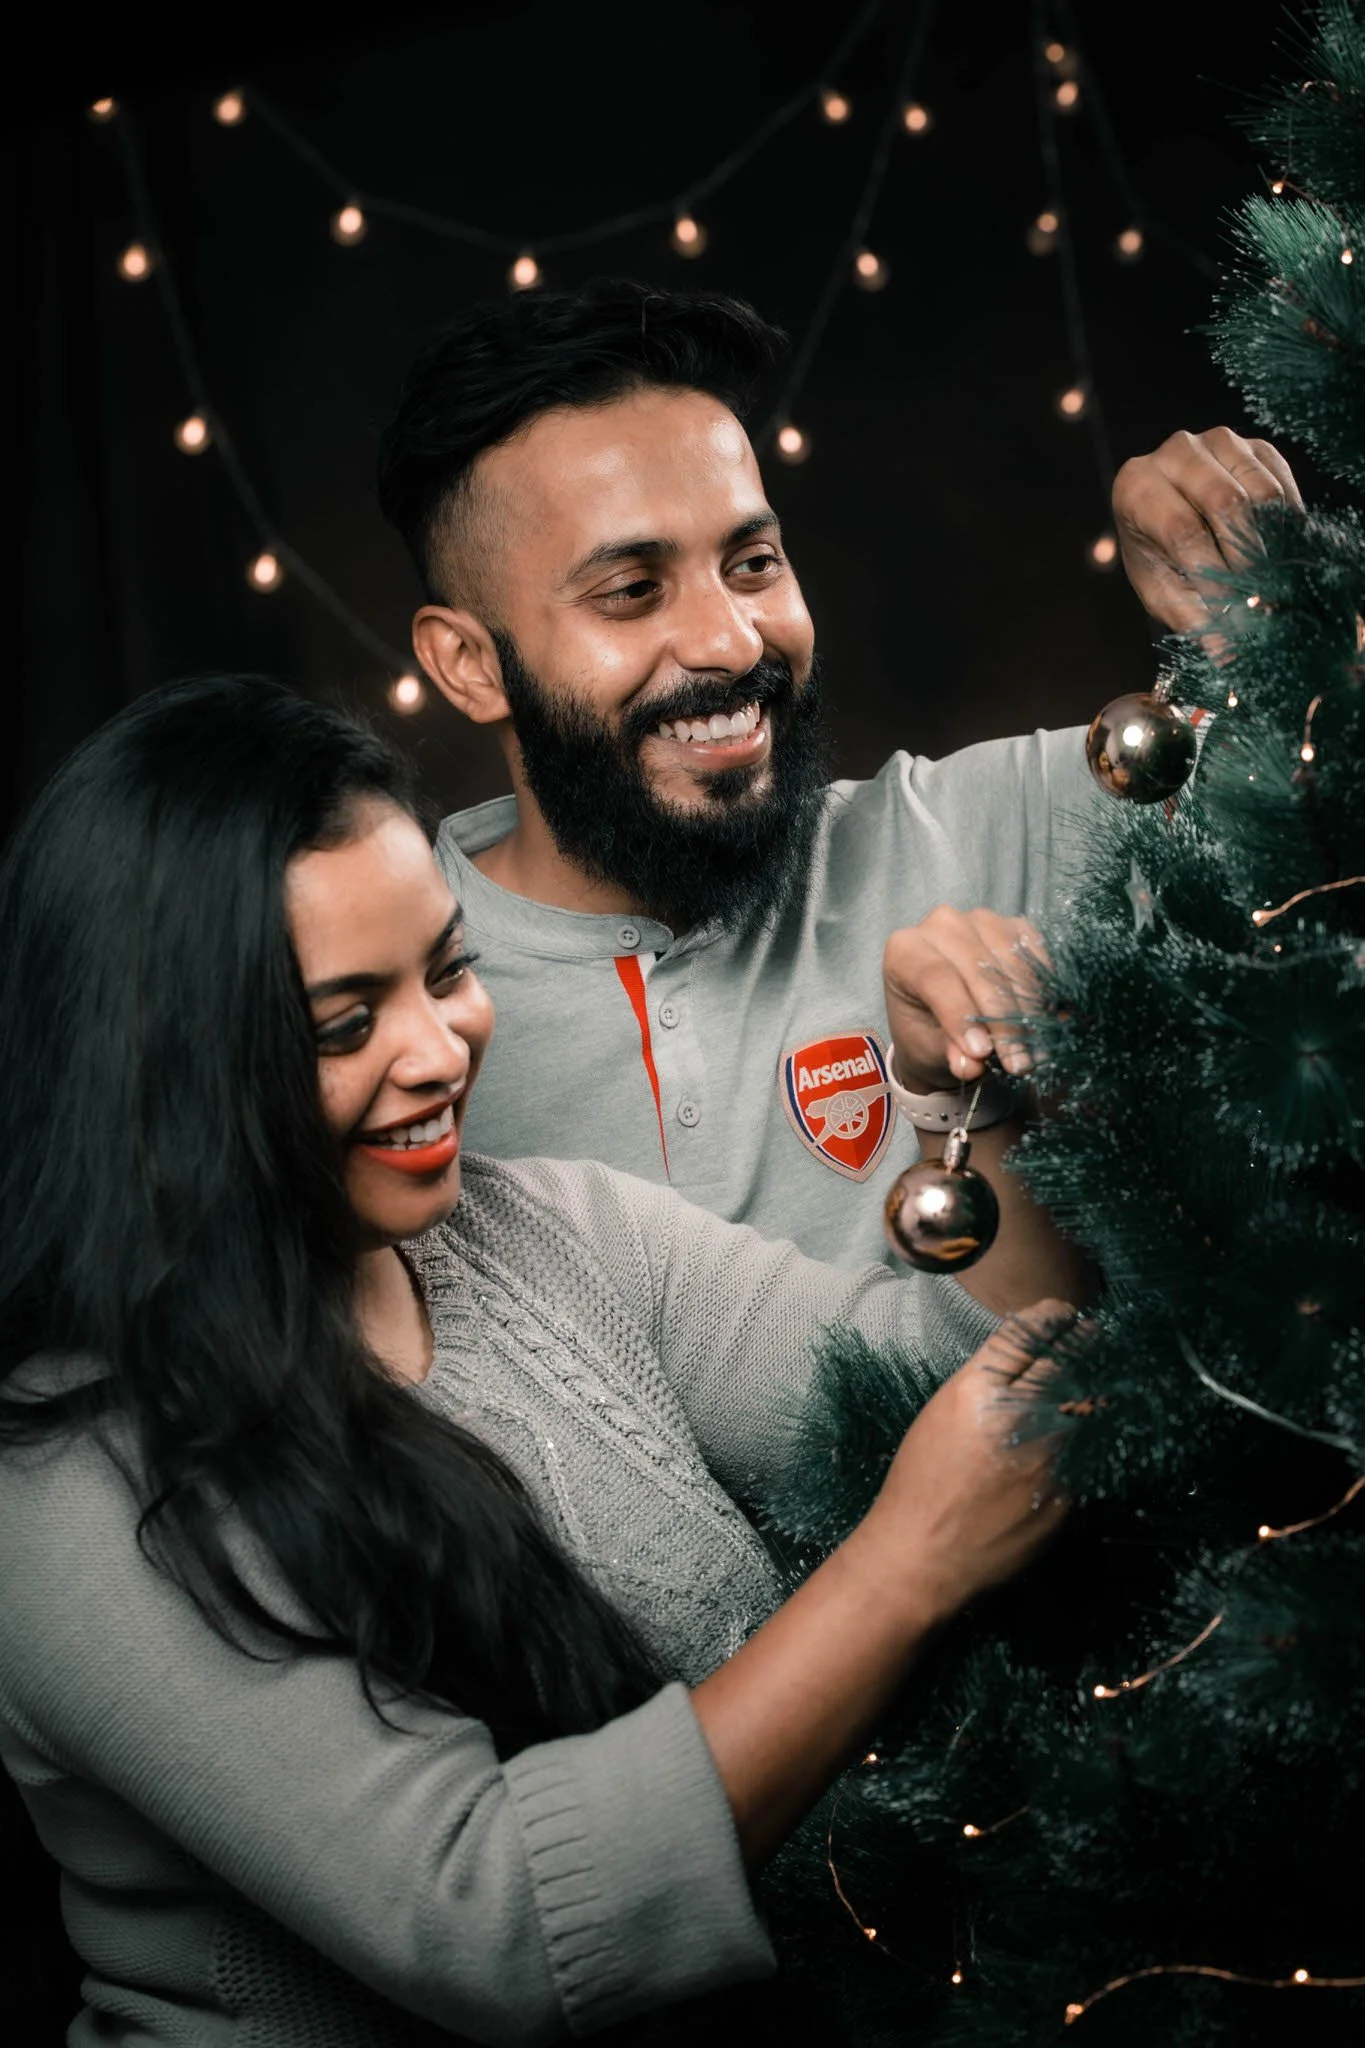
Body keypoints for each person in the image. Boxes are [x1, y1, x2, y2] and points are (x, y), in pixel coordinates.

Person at [0, 677, 1078, 2045]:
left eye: (448, 971)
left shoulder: (549, 1231)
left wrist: (956, 1098)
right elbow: (496, 1923)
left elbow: (947, 1390)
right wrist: (902, 1570)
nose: (438, 1048)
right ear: (162, 1068)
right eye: (344, 1025)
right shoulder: (67, 1492)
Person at [377, 278, 1305, 1271]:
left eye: (752, 563)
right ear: (468, 665)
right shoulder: (381, 1007)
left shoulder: (978, 834)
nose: (733, 642)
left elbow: (1310, 812)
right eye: (633, 590)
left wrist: (1271, 629)